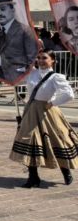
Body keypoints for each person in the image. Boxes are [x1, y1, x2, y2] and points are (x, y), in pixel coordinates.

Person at [10, 51, 78, 188]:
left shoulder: (56, 77)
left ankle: (66, 172)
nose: (40, 60)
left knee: (57, 140)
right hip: (32, 110)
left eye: (44, 58)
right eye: (39, 58)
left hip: (48, 111)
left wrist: (53, 102)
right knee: (29, 140)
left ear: (52, 60)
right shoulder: (31, 73)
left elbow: (69, 94)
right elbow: (15, 78)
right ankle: (33, 177)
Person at [0, 0, 38, 82]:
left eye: (3, 9)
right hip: (0, 75)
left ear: (13, 10)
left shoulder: (24, 30)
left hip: (19, 75)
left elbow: (32, 56)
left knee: (19, 95)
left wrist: (25, 73)